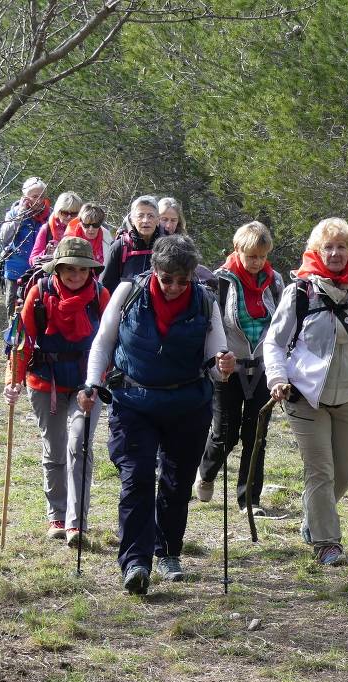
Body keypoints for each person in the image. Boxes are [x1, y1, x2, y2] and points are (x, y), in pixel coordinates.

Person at [81, 234, 235, 595]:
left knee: (178, 483)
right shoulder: (128, 293)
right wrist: (91, 383)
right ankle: (135, 563)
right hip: (133, 402)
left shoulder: (204, 300)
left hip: (188, 406)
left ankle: (167, 553)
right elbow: (103, 342)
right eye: (167, 279)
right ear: (155, 272)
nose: (174, 287)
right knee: (136, 478)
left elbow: (217, 357)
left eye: (182, 281)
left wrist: (224, 366)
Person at [263, 217, 348, 566]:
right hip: (305, 396)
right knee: (321, 471)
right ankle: (327, 544)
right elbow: (274, 342)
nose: (334, 253)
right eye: (328, 247)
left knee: (346, 472)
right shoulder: (300, 291)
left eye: (341, 247)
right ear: (316, 252)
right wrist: (276, 379)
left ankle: (313, 517)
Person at [2, 237, 110, 545]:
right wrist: (12, 382)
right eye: (68, 270)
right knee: (54, 451)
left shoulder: (101, 296)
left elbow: (110, 343)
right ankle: (57, 517)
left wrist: (98, 380)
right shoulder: (39, 295)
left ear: (91, 271)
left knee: (80, 448)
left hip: (85, 384)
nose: (75, 276)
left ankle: (77, 524)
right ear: (57, 269)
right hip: (44, 383)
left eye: (82, 270)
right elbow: (21, 344)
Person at [195, 222, 284, 517]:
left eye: (261, 256)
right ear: (237, 250)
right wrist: (218, 357)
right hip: (228, 367)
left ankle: (249, 499)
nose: (257, 262)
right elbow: (212, 325)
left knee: (256, 434)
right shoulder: (219, 281)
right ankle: (206, 473)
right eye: (251, 256)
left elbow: (283, 324)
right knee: (225, 433)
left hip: (264, 368)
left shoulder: (275, 282)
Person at [0, 177, 50, 317]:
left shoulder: (51, 215)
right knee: (14, 311)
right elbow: (4, 238)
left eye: (42, 196)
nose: (39, 200)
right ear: (25, 197)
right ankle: (13, 336)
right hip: (16, 270)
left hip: (41, 270)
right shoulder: (14, 213)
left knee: (37, 310)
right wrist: (19, 215)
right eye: (34, 196)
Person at [100, 195, 162, 293]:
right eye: (140, 216)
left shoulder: (166, 247)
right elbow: (105, 287)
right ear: (132, 219)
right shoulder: (120, 246)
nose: (145, 220)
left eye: (150, 216)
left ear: (158, 219)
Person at [29, 191, 83, 266]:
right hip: (51, 273)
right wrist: (46, 253)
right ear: (58, 211)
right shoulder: (47, 229)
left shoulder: (85, 229)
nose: (69, 217)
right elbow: (32, 260)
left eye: (74, 213)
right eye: (65, 213)